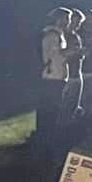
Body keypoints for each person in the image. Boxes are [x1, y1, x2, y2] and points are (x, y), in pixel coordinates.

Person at [37, 8, 75, 146]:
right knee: (51, 109)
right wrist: (71, 52)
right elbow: (54, 56)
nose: (68, 22)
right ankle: (47, 137)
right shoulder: (52, 36)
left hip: (57, 76)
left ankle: (48, 136)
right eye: (67, 19)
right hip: (53, 77)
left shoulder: (58, 35)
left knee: (54, 108)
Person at [62, 8, 91, 122]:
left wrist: (82, 53)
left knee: (74, 106)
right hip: (66, 76)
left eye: (79, 23)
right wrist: (74, 51)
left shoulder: (76, 36)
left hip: (77, 74)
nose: (77, 26)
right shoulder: (61, 36)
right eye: (75, 22)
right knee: (64, 105)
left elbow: (79, 54)